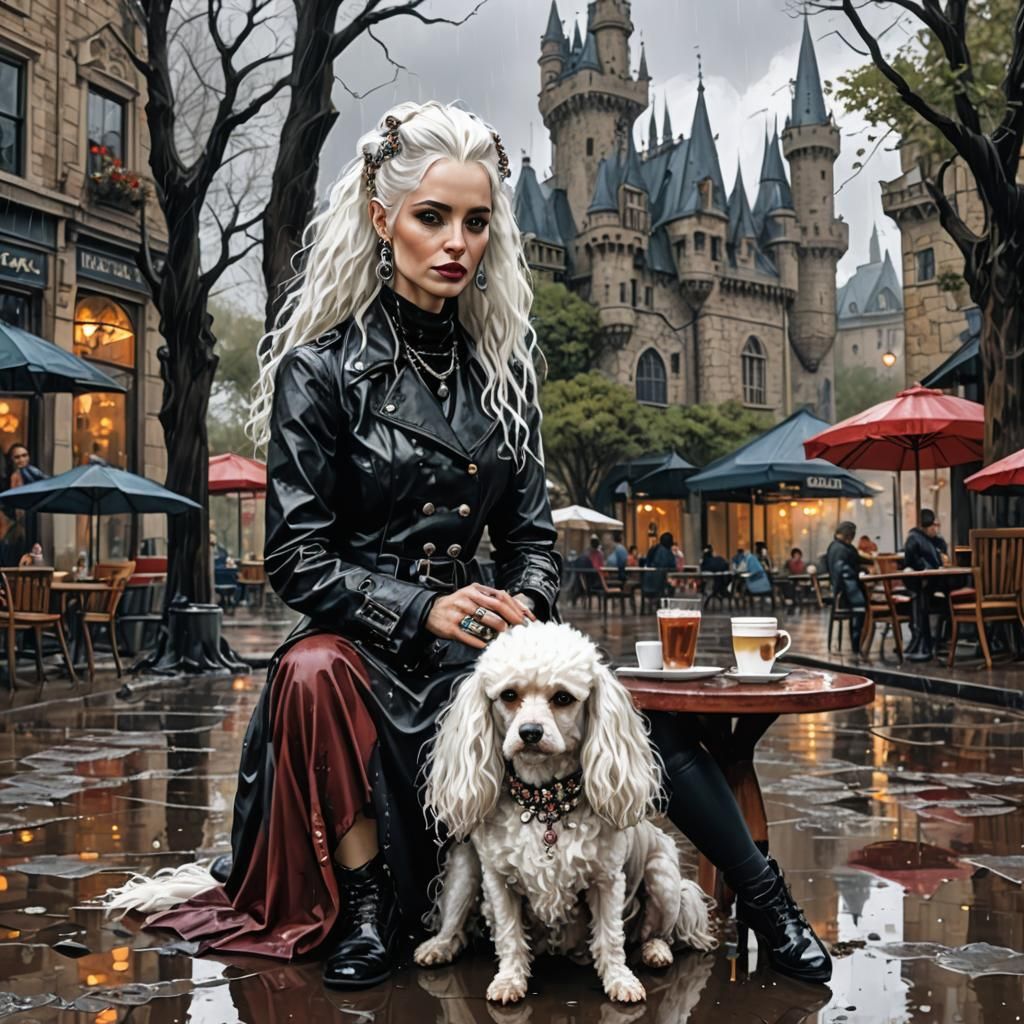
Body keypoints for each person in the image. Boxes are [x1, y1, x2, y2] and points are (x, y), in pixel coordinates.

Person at [134, 101, 828, 989]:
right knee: (307, 671)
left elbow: (534, 544)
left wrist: (526, 612)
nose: (456, 241)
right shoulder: (322, 371)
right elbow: (297, 557)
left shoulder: (505, 376)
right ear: (383, 221)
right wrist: (423, 608)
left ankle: (769, 904)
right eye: (432, 217)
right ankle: (373, 901)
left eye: (476, 220)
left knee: (640, 704)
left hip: (486, 650)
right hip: (369, 647)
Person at [902, 508, 950, 661]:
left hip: (934, 583)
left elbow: (942, 556)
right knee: (921, 597)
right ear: (924, 526)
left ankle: (937, 641)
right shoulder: (914, 539)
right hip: (923, 584)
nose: (936, 528)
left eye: (937, 525)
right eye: (933, 526)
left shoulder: (935, 541)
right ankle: (923, 641)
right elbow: (914, 562)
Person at [826, 521, 866, 658]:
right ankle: (856, 647)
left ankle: (857, 646)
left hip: (842, 592)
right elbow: (845, 573)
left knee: (861, 608)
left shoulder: (837, 547)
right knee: (861, 609)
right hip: (846, 595)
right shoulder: (841, 549)